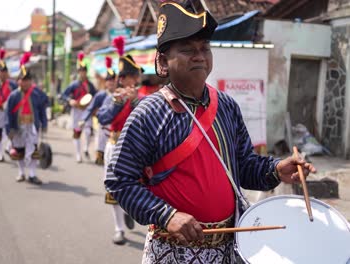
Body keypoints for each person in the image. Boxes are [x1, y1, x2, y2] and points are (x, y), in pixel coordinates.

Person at [104, 1, 317, 263]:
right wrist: (166, 215)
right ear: (163, 61)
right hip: (173, 251)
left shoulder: (226, 106)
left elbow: (244, 165)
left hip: (228, 249)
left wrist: (276, 169)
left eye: (205, 48)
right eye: (187, 49)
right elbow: (118, 180)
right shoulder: (148, 113)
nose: (199, 55)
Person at [97, 36, 145, 245]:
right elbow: (103, 118)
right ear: (123, 78)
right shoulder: (111, 98)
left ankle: (129, 208)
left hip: (135, 149)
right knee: (114, 188)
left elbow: (145, 120)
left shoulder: (141, 99)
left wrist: (134, 101)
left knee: (136, 187)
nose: (136, 81)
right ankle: (119, 229)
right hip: (114, 146)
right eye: (133, 77)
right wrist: (118, 102)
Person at [5, 52, 48, 184]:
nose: (25, 82)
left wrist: (44, 123)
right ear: (18, 81)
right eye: (23, 80)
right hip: (18, 127)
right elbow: (8, 114)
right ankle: (21, 172)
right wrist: (9, 129)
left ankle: (32, 174)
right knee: (19, 151)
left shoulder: (36, 94)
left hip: (32, 126)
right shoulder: (13, 96)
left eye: (27, 80)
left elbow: (42, 110)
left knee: (34, 151)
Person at [79, 56, 117, 165]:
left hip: (115, 127)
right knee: (100, 148)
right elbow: (91, 107)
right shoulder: (101, 95)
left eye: (112, 81)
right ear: (106, 83)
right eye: (108, 81)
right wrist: (83, 119)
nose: (111, 83)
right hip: (103, 125)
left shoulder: (120, 95)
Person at [62, 52, 97, 163]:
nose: (82, 73)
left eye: (84, 71)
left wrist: (93, 106)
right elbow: (63, 95)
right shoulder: (74, 84)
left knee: (88, 131)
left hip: (86, 110)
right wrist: (69, 100)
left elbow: (96, 97)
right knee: (77, 132)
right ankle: (78, 154)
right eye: (81, 71)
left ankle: (86, 148)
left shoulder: (90, 85)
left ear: (86, 72)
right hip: (76, 110)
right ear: (78, 72)